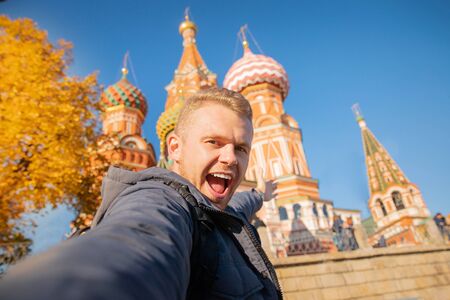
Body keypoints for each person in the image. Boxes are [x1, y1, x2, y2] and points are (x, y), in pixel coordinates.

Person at [0, 88, 282, 299]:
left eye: (241, 148)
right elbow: (142, 237)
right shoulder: (161, 197)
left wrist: (261, 194)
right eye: (213, 142)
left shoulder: (221, 212)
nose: (231, 158)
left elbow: (239, 205)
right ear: (174, 148)